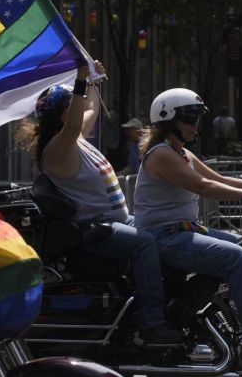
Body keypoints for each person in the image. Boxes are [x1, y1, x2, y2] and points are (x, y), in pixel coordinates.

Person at [16, 62, 182, 345]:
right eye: (73, 105)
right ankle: (152, 323)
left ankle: (173, 304)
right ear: (62, 114)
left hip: (118, 222)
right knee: (145, 243)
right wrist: (80, 81)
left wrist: (93, 81)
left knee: (163, 231)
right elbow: (75, 121)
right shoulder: (57, 148)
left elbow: (90, 110)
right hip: (93, 229)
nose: (80, 111)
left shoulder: (75, 138)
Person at [133, 88, 242, 366]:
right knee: (236, 257)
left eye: (197, 120)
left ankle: (240, 314)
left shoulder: (179, 151)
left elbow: (216, 177)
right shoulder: (161, 154)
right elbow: (203, 186)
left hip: (186, 230)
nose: (195, 126)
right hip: (165, 237)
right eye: (189, 120)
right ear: (169, 120)